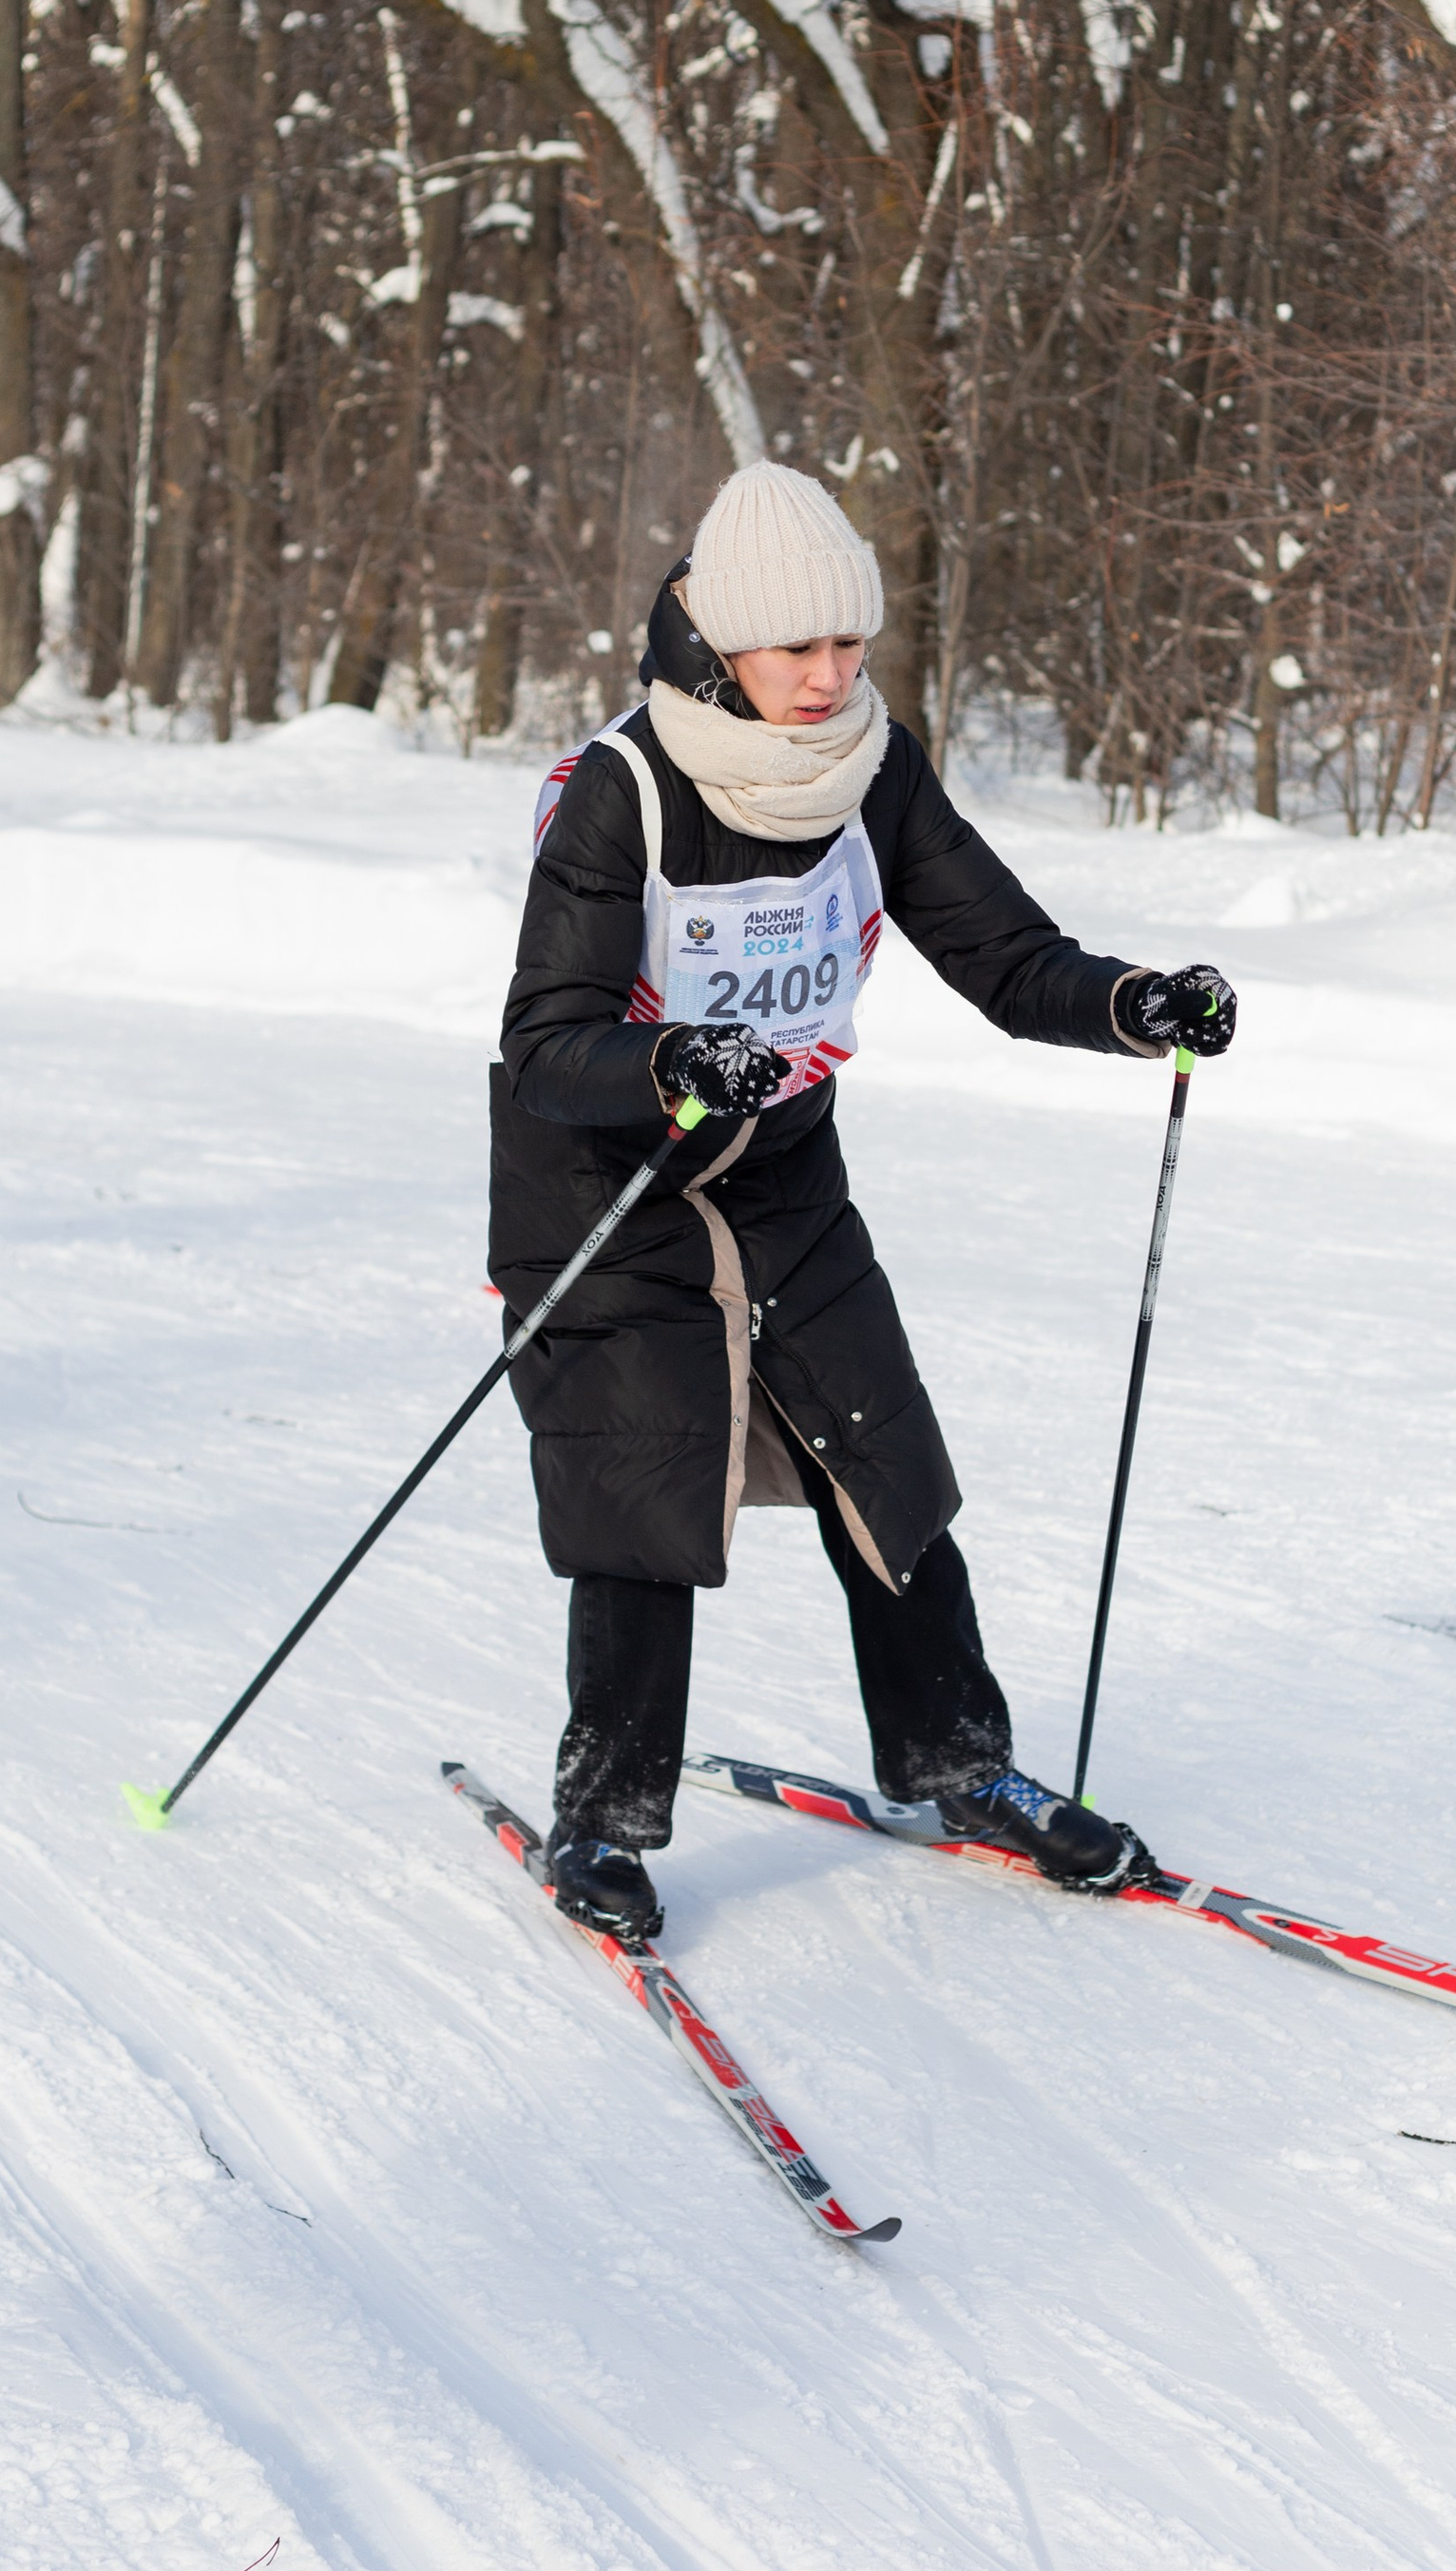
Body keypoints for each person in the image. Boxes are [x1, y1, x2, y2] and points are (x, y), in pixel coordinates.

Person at [490, 464, 1234, 1943]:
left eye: (851, 645)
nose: (831, 678)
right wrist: (666, 1059)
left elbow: (1007, 955)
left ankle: (963, 1767)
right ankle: (606, 1824)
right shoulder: (620, 792)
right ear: (721, 646)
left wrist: (1135, 1003)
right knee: (640, 1505)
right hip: (613, 1192)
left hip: (782, 1174)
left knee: (884, 1473)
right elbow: (545, 1045)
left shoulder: (874, 770)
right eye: (797, 651)